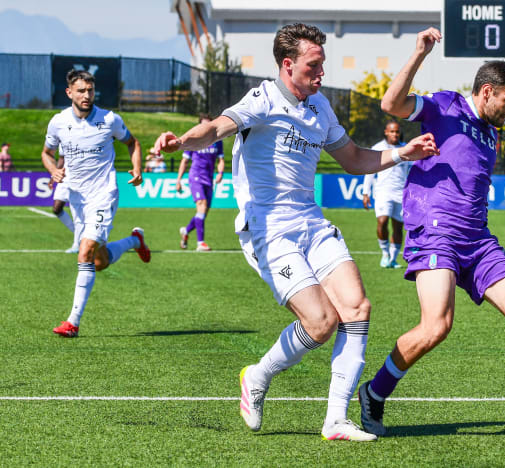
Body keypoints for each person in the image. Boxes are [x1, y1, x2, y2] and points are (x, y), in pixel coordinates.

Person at [153, 23, 438, 442]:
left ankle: (336, 420)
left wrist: (400, 153)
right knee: (320, 322)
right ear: (288, 65)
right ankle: (257, 375)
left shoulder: (320, 106)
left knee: (357, 308)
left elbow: (355, 158)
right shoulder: (262, 99)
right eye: (313, 65)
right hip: (268, 230)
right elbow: (214, 128)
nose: (321, 73)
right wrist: (181, 143)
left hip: (311, 222)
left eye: (322, 65)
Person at [357, 27, 505, 440]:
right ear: (487, 91)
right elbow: (390, 103)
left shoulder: (491, 132)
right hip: (435, 232)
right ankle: (374, 392)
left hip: (478, 238)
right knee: (436, 326)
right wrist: (419, 52)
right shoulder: (443, 105)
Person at [41, 69, 151, 338]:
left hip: (103, 194)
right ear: (69, 93)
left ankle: (72, 322)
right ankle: (135, 240)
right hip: (77, 198)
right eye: (81, 91)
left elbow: (132, 142)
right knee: (99, 261)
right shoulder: (58, 122)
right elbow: (47, 153)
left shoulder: (109, 119)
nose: (87, 95)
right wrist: (52, 170)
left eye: (90, 91)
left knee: (85, 252)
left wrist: (137, 169)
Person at [362, 121, 411, 268]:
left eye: (397, 131)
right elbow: (369, 171)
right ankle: (385, 254)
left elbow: (412, 170)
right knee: (382, 222)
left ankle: (393, 259)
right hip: (383, 192)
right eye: (392, 131)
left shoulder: (406, 148)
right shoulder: (378, 148)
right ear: (386, 132)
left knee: (398, 227)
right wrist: (366, 192)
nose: (395, 134)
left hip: (401, 193)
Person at [176, 114, 225, 251]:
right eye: (203, 125)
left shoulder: (217, 141)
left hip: (209, 179)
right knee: (202, 206)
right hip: (196, 175)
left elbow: (221, 160)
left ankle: (186, 231)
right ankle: (200, 243)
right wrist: (178, 180)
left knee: (203, 212)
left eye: (208, 125)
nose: (205, 127)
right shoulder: (193, 140)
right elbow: (184, 161)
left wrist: (220, 173)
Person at [50, 150, 82, 254]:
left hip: (78, 178)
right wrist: (54, 176)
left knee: (77, 213)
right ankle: (83, 237)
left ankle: (77, 244)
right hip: (64, 178)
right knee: (56, 209)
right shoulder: (62, 134)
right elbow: (61, 159)